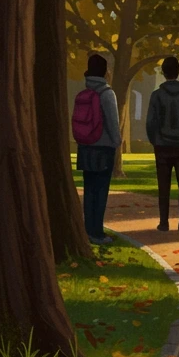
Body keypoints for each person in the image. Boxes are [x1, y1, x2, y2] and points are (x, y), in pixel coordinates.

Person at [145, 56, 179, 234]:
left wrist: (156, 141)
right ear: (178, 71)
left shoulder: (156, 95)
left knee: (163, 186)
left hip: (162, 146)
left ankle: (164, 222)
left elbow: (150, 123)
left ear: (163, 72)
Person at [73, 53, 121, 245]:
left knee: (89, 190)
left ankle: (88, 230)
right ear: (104, 71)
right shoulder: (107, 94)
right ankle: (97, 233)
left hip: (85, 147)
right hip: (103, 149)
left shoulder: (84, 92)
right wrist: (117, 142)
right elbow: (112, 123)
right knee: (101, 192)